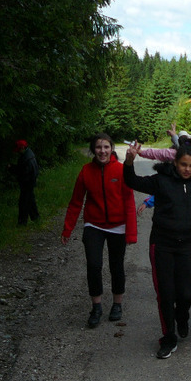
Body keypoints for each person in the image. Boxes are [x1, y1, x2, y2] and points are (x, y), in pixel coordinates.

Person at [123, 142, 191, 359]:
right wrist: (129, 161)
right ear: (175, 163)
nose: (187, 169)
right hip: (162, 244)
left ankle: (181, 315)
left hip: (187, 246)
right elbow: (131, 180)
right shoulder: (161, 180)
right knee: (165, 293)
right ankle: (168, 338)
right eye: (183, 165)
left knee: (185, 293)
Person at [61, 133, 137, 328]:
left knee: (116, 265)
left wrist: (131, 232)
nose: (102, 151)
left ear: (111, 149)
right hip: (93, 225)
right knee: (94, 265)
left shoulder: (121, 170)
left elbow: (129, 201)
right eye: (98, 147)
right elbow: (76, 202)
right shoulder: (86, 171)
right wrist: (67, 229)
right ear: (93, 150)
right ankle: (96, 307)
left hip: (118, 226)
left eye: (106, 147)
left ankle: (117, 304)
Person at [9, 139, 40, 225]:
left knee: (23, 202)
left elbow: (22, 172)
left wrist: (12, 168)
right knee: (30, 200)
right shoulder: (29, 155)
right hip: (30, 182)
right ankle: (35, 217)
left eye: (19, 149)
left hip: (27, 183)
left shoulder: (26, 158)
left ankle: (22, 222)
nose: (18, 151)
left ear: (22, 147)